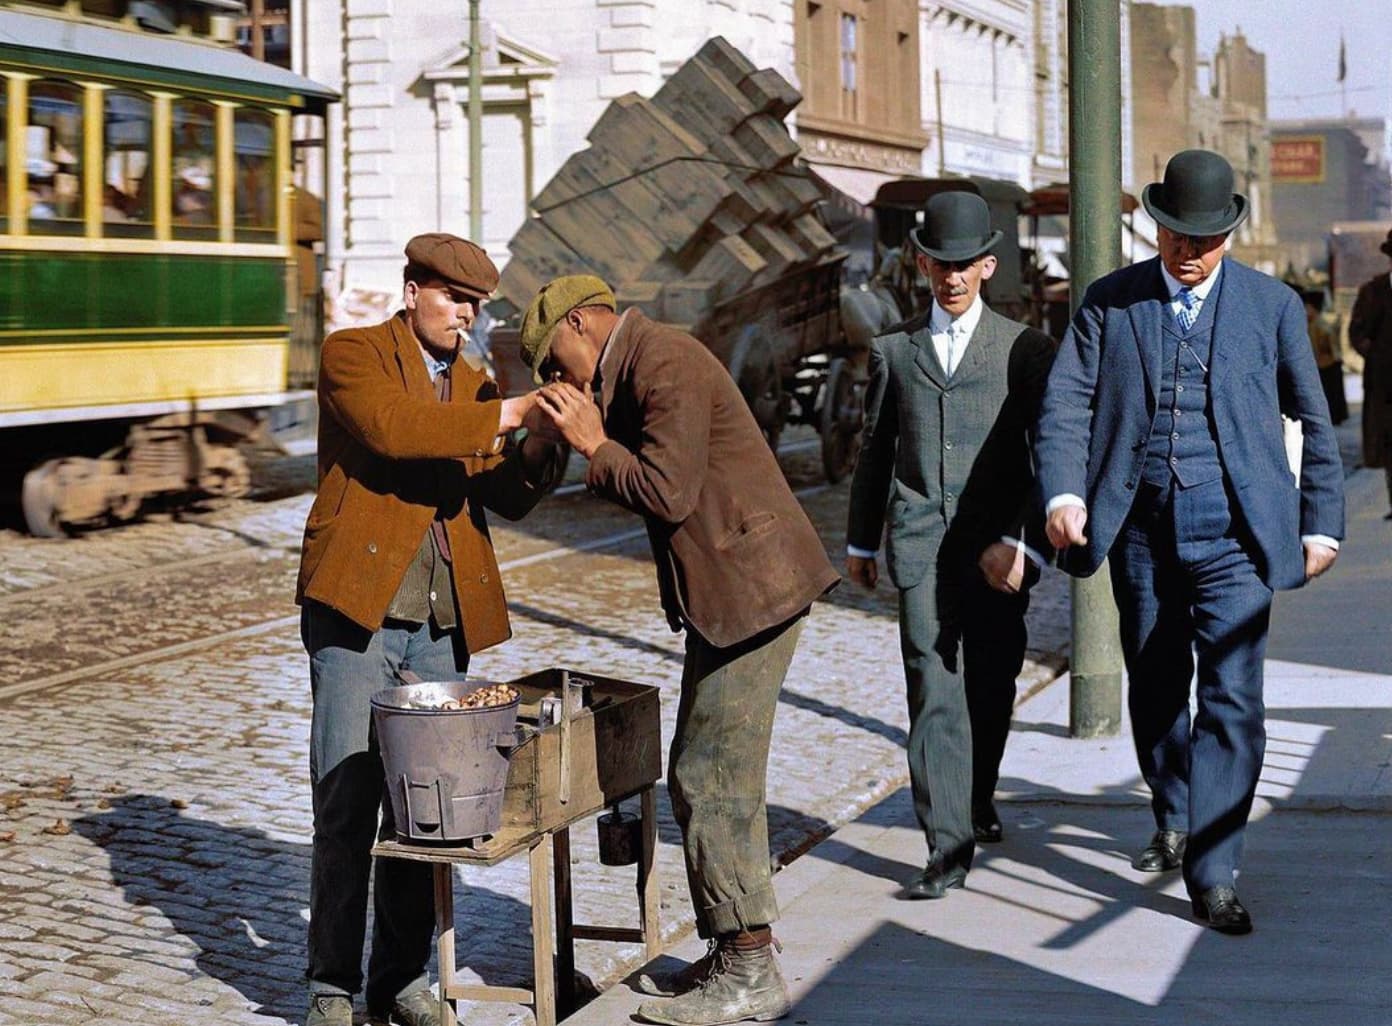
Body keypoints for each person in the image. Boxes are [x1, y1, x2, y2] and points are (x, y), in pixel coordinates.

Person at [1035, 150, 1344, 935]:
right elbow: (1065, 402)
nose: (1189, 251)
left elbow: (1315, 417)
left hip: (1240, 534)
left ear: (1229, 236)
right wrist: (1066, 494)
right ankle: (1174, 813)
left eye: (1205, 239)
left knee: (1234, 699)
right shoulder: (1111, 303)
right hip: (1139, 531)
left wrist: (1321, 521)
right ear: (1157, 226)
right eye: (1176, 234)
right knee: (1157, 685)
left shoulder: (1271, 307)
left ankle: (1214, 870)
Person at [519, 275, 838, 1026]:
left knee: (710, 773)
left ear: (579, 324)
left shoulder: (663, 362)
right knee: (710, 769)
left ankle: (749, 969)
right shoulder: (639, 366)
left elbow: (666, 492)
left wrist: (593, 443)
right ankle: (736, 948)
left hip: (756, 589)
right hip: (733, 595)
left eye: (552, 359)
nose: (555, 377)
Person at [295, 233, 562, 1026]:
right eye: (455, 300)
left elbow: (505, 494)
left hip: (440, 623)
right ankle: (331, 986)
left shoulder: (475, 385)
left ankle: (401, 980)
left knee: (425, 811)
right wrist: (508, 411)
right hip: (357, 614)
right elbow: (395, 429)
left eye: (477, 306)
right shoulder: (354, 355)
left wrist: (544, 439)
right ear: (412, 291)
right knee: (346, 798)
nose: (467, 317)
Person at [844, 191, 1056, 899]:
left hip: (996, 552)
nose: (953, 278)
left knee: (992, 684)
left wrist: (1019, 539)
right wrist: (860, 541)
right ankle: (947, 845)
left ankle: (977, 797)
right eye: (941, 264)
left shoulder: (1024, 349)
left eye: (965, 265)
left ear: (988, 266)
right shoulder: (895, 349)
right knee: (934, 689)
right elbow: (875, 452)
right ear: (923, 263)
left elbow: (1044, 454)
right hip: (920, 546)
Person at [1348, 230, 1392, 516]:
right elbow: (1356, 331)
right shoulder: (1373, 291)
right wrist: (1374, 355)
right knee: (1389, 448)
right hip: (1383, 385)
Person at [1297, 284, 1347, 425]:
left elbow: (1331, 349)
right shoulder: (1308, 324)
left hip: (1326, 365)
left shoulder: (1322, 325)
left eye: (1308, 308)